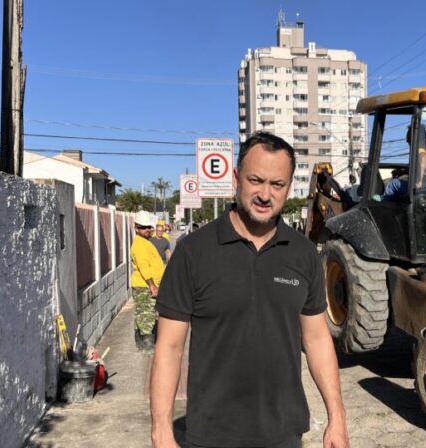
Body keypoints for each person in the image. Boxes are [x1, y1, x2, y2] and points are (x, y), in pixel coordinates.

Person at [150, 132, 349, 448]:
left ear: (288, 188)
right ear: (236, 178)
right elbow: (169, 347)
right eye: (256, 180)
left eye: (277, 184)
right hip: (211, 435)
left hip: (284, 433)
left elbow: (316, 339)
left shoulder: (303, 254)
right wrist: (161, 430)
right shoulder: (193, 252)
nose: (265, 194)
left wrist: (337, 417)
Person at [130, 211, 165, 351]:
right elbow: (144, 267)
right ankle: (147, 346)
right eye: (143, 227)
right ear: (136, 228)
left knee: (142, 313)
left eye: (149, 227)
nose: (147, 230)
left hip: (147, 285)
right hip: (144, 286)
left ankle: (141, 344)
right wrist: (152, 286)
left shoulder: (145, 242)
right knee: (147, 315)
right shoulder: (139, 244)